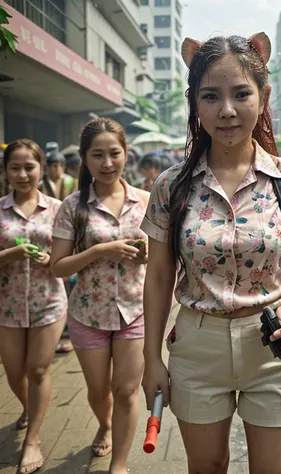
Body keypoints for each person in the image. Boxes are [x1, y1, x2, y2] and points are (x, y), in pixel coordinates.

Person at [141, 32, 281, 474]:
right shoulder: (171, 185)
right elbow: (158, 276)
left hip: (272, 346)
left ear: (262, 98)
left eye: (241, 93)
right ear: (196, 105)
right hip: (196, 346)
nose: (226, 109)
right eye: (211, 96)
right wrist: (151, 358)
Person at [50, 118, 150, 474]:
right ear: (84, 159)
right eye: (98, 155)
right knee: (99, 391)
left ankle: (119, 465)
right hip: (87, 314)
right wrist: (99, 250)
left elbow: (163, 259)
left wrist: (146, 255)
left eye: (114, 153)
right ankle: (104, 423)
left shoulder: (146, 202)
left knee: (126, 390)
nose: (108, 163)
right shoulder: (72, 207)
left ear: (126, 155)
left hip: (136, 311)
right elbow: (57, 267)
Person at [0, 139, 68, 474]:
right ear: (6, 171)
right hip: (7, 304)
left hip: (48, 301)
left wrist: (53, 258)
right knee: (14, 372)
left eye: (30, 166)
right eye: (15, 167)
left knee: (38, 369)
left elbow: (69, 256)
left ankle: (34, 439)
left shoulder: (59, 209)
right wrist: (9, 255)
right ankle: (29, 407)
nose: (23, 174)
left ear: (41, 168)